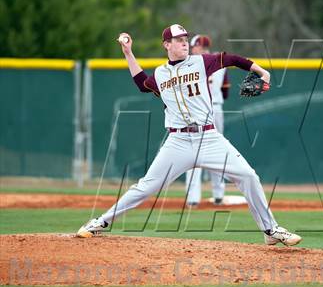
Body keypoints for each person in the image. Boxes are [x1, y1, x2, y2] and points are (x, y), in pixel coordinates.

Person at [77, 24, 302, 246]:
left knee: (248, 176)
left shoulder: (201, 62)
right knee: (146, 187)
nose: (184, 42)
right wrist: (128, 53)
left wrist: (261, 71)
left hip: (209, 138)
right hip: (178, 142)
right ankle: (101, 222)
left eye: (185, 38)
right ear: (167, 45)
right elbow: (142, 84)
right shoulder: (160, 74)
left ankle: (270, 230)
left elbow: (231, 58)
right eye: (178, 39)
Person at [185, 34, 229, 207]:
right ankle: (218, 194)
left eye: (193, 46)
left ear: (197, 47)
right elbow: (225, 91)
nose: (191, 48)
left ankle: (193, 198)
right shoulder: (218, 61)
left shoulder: (188, 63)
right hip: (216, 108)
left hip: (197, 110)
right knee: (217, 150)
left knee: (194, 152)